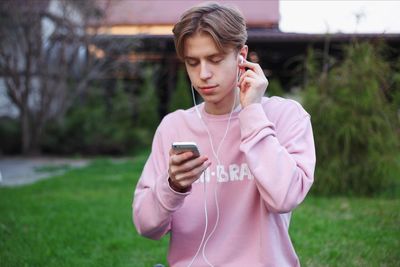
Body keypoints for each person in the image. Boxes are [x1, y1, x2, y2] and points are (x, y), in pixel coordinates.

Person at [133, 2, 316, 266]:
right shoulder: (173, 126)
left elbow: (284, 198)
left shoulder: (286, 116)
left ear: (241, 55)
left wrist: (251, 112)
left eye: (215, 59)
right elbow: (146, 227)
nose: (203, 74)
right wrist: (172, 186)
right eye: (192, 63)